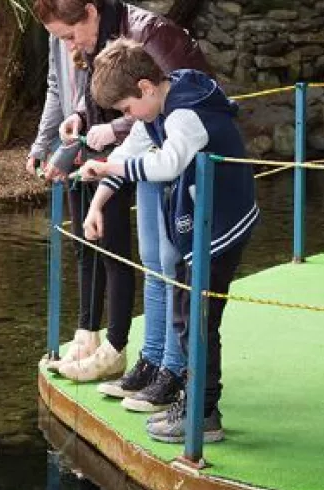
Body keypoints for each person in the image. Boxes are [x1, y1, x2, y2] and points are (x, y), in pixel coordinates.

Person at [32, 0, 210, 409]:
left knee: (175, 270)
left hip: (183, 171)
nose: (70, 47)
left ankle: (179, 373)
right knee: (153, 264)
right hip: (146, 160)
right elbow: (137, 123)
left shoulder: (152, 36)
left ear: (90, 13)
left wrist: (112, 135)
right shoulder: (102, 42)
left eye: (70, 35)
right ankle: (152, 361)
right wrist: (82, 119)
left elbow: (167, 113)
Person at [78, 38, 259, 443]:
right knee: (186, 314)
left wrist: (110, 163)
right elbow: (128, 153)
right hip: (200, 220)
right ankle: (194, 403)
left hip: (221, 224)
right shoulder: (156, 109)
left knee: (198, 321)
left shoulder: (184, 112)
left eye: (126, 109)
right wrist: (98, 204)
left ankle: (203, 414)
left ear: (144, 88)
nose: (128, 117)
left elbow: (168, 163)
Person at [29, 23, 105, 372]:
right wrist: (42, 145)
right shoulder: (55, 33)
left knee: (111, 246)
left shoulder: (105, 23)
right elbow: (56, 89)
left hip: (107, 148)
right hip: (73, 146)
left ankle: (112, 342)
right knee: (81, 243)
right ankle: (87, 330)